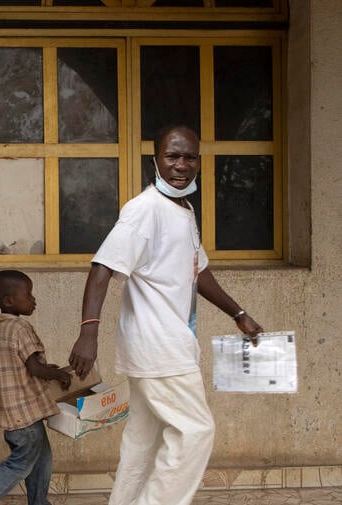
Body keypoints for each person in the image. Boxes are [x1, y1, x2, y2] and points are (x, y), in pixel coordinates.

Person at [68, 125, 264, 505]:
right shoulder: (145, 210)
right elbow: (102, 267)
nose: (181, 165)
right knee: (196, 431)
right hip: (160, 346)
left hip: (163, 346)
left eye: (189, 157)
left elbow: (197, 271)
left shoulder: (183, 210)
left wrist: (238, 312)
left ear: (198, 162)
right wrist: (88, 332)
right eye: (172, 156)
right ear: (155, 160)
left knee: (144, 441)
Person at [0, 270, 71, 505]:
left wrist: (48, 368)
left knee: (42, 460)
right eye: (28, 294)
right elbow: (35, 369)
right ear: (9, 301)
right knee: (20, 464)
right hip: (25, 414)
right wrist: (57, 374)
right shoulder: (20, 328)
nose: (33, 299)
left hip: (14, 415)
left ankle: (39, 502)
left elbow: (22, 365)